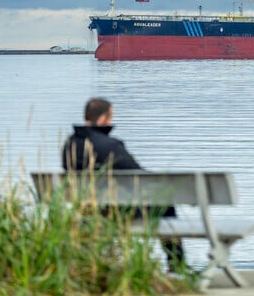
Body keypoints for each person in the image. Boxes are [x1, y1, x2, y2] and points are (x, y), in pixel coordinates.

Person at [61, 97, 184, 268]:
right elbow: (138, 176)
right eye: (110, 117)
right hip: (113, 209)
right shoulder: (110, 145)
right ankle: (177, 264)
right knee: (164, 204)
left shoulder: (69, 145)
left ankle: (86, 263)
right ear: (104, 119)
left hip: (88, 209)